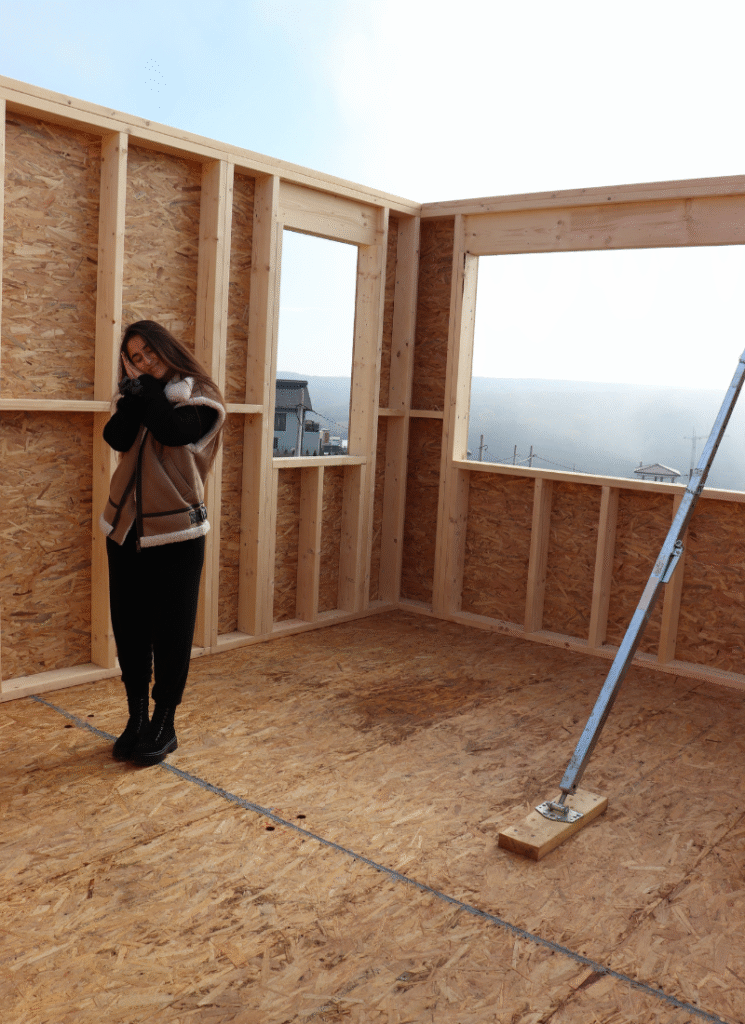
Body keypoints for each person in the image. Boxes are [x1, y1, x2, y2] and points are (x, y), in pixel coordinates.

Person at [100, 320, 226, 766]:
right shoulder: (138, 397)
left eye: (150, 351)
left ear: (166, 348)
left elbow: (173, 432)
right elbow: (115, 437)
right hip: (125, 529)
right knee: (130, 628)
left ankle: (164, 721)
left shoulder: (200, 396)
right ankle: (136, 718)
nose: (145, 361)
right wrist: (133, 398)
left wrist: (147, 391)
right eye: (136, 357)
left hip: (177, 532)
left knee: (171, 632)